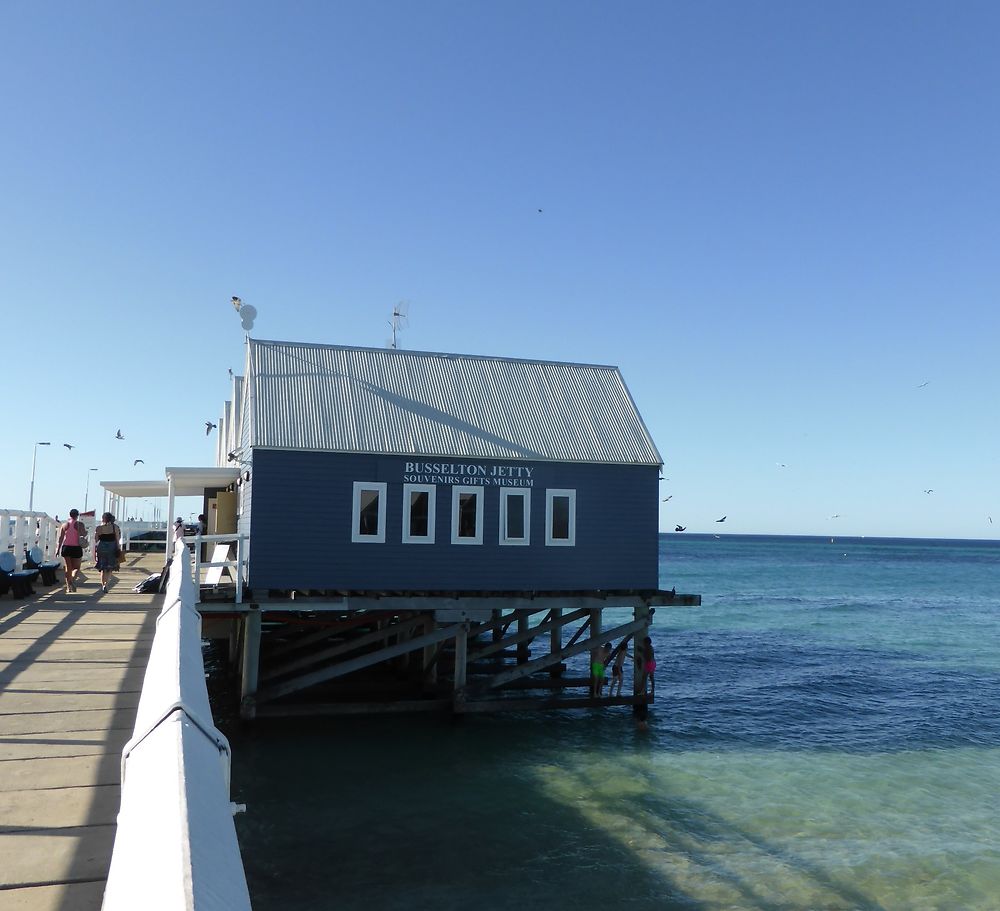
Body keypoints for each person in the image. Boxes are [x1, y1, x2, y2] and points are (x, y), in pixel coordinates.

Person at [56, 509, 85, 593]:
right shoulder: (79, 524)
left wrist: (58, 550)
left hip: (66, 548)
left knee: (68, 568)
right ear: (77, 515)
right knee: (76, 568)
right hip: (76, 548)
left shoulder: (65, 525)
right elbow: (84, 534)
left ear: (70, 515)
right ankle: (71, 580)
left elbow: (61, 538)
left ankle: (68, 587)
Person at [94, 512, 122, 594]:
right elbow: (117, 539)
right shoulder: (115, 527)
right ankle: (106, 584)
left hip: (101, 547)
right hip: (112, 548)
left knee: (103, 568)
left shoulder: (99, 528)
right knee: (109, 568)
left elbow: (96, 539)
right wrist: (118, 548)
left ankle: (103, 584)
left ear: (103, 518)